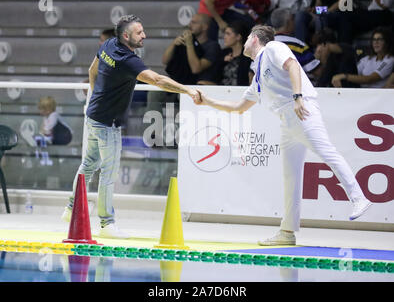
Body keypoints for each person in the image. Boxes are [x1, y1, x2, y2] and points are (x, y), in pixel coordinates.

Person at [196, 25, 372, 246]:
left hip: (301, 109)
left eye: (249, 36)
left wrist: (298, 97)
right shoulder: (258, 73)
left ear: (256, 39)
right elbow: (239, 107)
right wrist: (207, 101)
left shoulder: (273, 47)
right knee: (291, 177)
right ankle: (287, 232)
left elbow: (293, 66)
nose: (246, 39)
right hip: (287, 122)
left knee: (327, 152)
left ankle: (359, 197)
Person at [61, 15, 200, 239]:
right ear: (126, 36)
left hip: (93, 115)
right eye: (139, 33)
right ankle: (106, 223)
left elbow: (91, 71)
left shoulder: (108, 45)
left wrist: (96, 98)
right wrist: (188, 90)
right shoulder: (128, 59)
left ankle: (70, 209)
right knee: (108, 171)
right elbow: (157, 80)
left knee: (88, 164)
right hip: (108, 123)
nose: (144, 35)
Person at [325, 0, 394, 44]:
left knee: (343, 17)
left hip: (338, 11)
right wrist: (317, 10)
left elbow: (342, 3)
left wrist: (323, 11)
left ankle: (342, 49)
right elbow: (318, 2)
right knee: (341, 20)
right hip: (332, 11)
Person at [270, 8, 320, 76]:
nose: (294, 22)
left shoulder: (263, 45)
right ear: (288, 23)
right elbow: (317, 71)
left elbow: (252, 73)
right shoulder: (298, 45)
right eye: (293, 19)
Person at [216, 20, 252, 86]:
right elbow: (215, 76)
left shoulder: (248, 56)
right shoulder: (224, 53)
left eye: (228, 34)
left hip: (239, 92)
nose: (224, 37)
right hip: (222, 91)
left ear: (238, 37)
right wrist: (222, 61)